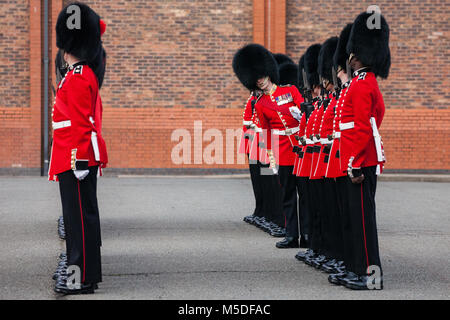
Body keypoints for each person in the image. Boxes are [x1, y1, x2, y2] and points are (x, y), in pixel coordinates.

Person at [49, 2, 108, 295]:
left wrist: (80, 161)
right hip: (71, 156)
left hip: (76, 158)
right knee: (78, 219)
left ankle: (81, 277)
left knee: (81, 221)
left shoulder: (79, 77)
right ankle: (82, 271)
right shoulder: (78, 75)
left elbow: (83, 124)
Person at [337, 12, 390, 290]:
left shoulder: (362, 84)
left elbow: (361, 127)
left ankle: (371, 276)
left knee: (364, 222)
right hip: (357, 157)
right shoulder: (362, 82)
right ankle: (359, 269)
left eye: (355, 53)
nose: (351, 57)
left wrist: (354, 163)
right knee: (357, 221)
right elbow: (374, 117)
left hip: (359, 161)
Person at [232, 44, 302, 249]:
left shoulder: (290, 91)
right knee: (287, 195)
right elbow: (265, 132)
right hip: (282, 150)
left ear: (269, 73)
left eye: (262, 76)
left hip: (300, 146)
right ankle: (291, 233)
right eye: (256, 79)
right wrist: (271, 156)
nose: (260, 81)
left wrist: (300, 115)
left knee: (306, 196)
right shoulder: (260, 103)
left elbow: (304, 113)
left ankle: (306, 233)